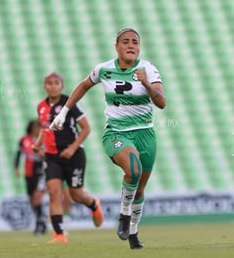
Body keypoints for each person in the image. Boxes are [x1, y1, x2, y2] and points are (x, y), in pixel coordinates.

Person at [49, 28, 166, 249]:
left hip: (146, 133)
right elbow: (84, 85)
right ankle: (123, 215)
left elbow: (161, 103)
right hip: (116, 133)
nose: (131, 45)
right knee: (133, 168)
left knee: (140, 189)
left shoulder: (148, 69)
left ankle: (132, 232)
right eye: (125, 42)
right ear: (117, 46)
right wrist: (64, 112)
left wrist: (148, 85)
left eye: (135, 42)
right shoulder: (104, 69)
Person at [33, 72, 104, 244]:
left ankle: (94, 204)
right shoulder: (41, 106)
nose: (52, 86)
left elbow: (86, 128)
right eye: (49, 83)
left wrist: (72, 148)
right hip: (51, 156)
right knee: (54, 193)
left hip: (73, 155)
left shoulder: (69, 103)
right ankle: (59, 234)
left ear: (61, 86)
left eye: (56, 83)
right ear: (45, 86)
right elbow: (45, 128)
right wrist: (38, 144)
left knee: (76, 195)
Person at [14, 119, 47, 235]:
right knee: (32, 199)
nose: (39, 129)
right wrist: (16, 168)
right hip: (29, 174)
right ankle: (40, 221)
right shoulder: (24, 140)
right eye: (37, 127)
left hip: (41, 173)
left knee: (37, 197)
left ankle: (41, 223)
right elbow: (18, 154)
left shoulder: (43, 139)